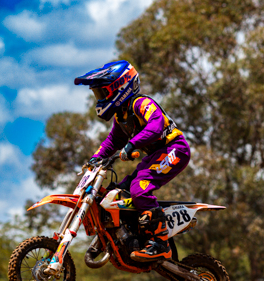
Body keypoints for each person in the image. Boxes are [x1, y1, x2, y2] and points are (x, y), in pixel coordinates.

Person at [74, 61, 191, 261]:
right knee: (119, 193)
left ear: (119, 87)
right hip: (156, 155)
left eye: (102, 93)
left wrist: (132, 145)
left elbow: (156, 124)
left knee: (140, 187)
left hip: (174, 149)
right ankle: (133, 234)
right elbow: (113, 141)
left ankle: (160, 243)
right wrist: (95, 158)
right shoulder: (122, 116)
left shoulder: (141, 103)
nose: (99, 99)